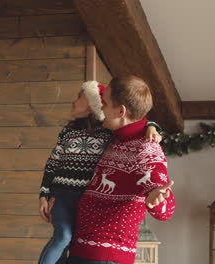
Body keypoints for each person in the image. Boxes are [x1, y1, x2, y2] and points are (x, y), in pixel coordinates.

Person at [38, 81, 162, 264]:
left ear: (91, 104)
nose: (73, 102)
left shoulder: (108, 132)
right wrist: (43, 193)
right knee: (63, 236)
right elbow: (52, 163)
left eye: (79, 97)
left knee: (71, 242)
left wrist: (152, 126)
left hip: (84, 199)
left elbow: (134, 121)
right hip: (61, 196)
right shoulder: (67, 132)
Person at [68, 76, 176, 264]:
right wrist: (149, 123)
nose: (101, 106)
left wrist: (155, 201)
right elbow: (101, 91)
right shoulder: (117, 138)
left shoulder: (146, 149)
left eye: (105, 103)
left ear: (121, 110)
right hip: (84, 250)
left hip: (104, 257)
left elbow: (166, 210)